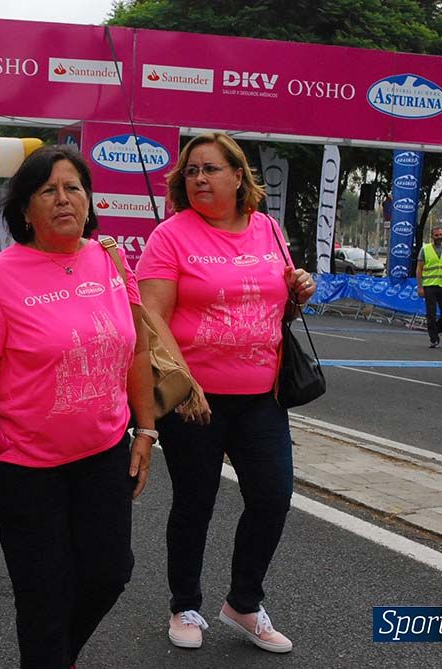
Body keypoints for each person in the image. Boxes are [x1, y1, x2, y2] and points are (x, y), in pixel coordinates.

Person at [0, 145, 155, 668]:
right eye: (48, 190)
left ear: (89, 200)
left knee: (109, 573)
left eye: (73, 188)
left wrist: (147, 432)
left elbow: (136, 348)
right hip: (24, 467)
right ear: (25, 209)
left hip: (102, 454)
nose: (63, 199)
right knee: (44, 596)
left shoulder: (111, 258)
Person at [137, 133, 316, 654]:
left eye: (210, 169)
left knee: (273, 496)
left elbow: (277, 306)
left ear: (239, 176)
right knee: (196, 502)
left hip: (263, 394)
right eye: (191, 171)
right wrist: (185, 383)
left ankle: (243, 602)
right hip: (196, 398)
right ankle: (185, 603)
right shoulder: (170, 236)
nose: (199, 179)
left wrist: (299, 290)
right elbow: (152, 317)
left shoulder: (268, 229)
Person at [415, 226, 442, 349]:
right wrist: (420, 286)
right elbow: (419, 269)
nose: (439, 237)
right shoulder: (425, 249)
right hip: (430, 285)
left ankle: (437, 329)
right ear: (432, 236)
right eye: (436, 235)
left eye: (440, 235)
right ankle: (433, 338)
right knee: (431, 314)